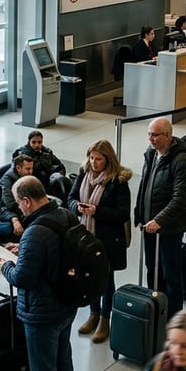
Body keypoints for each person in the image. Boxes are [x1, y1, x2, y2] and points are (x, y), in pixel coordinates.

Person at [0, 176, 76, 371]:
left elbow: (24, 277)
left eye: (19, 204)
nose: (19, 210)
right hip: (66, 305)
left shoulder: (34, 232)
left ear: (27, 201)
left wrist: (5, 266)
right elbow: (55, 254)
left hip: (42, 312)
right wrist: (25, 250)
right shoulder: (65, 214)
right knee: (63, 362)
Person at [66, 139, 131, 343]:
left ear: (108, 160)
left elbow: (122, 213)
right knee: (89, 276)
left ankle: (105, 318)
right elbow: (70, 198)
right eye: (91, 157)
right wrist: (77, 206)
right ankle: (93, 313)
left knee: (106, 279)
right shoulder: (84, 173)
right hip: (85, 236)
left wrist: (97, 211)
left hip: (107, 239)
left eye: (98, 159)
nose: (94, 162)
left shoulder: (118, 181)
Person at [134, 117, 186, 316]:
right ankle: (156, 308)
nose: (150, 139)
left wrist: (159, 220)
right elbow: (145, 186)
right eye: (149, 134)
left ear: (168, 136)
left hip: (169, 228)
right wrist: (140, 214)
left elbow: (181, 199)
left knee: (170, 272)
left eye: (155, 135)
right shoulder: (151, 154)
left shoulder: (182, 160)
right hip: (149, 225)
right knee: (152, 269)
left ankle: (173, 315)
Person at [10, 131, 71, 202]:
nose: (37, 145)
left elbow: (60, 167)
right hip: (32, 183)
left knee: (60, 179)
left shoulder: (47, 152)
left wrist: (55, 176)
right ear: (28, 142)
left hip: (49, 182)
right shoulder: (21, 154)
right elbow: (17, 172)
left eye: (39, 142)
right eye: (34, 142)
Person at [0, 155, 33, 243]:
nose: (31, 172)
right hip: (3, 212)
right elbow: (8, 206)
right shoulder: (6, 183)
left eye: (31, 168)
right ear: (18, 168)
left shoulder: (24, 177)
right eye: (28, 169)